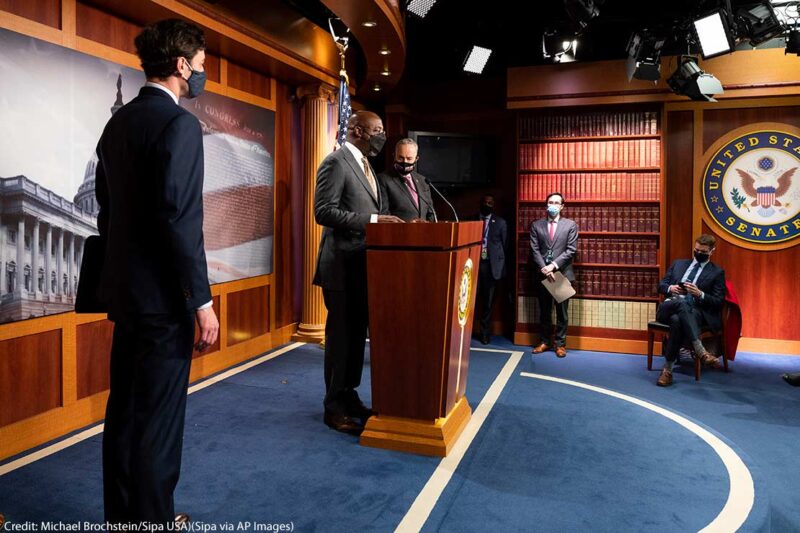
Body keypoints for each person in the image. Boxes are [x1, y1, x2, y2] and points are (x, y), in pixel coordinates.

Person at [94, 19, 219, 525]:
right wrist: (201, 302)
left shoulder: (116, 124)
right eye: (203, 67)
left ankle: (123, 519)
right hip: (167, 301)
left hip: (125, 296)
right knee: (159, 422)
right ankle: (153, 521)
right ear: (182, 65)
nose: (204, 76)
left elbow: (106, 212)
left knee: (123, 414)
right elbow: (180, 220)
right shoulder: (180, 125)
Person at [313, 111, 404, 435]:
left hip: (365, 266)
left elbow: (376, 210)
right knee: (341, 340)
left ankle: (349, 396)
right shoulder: (336, 162)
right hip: (340, 267)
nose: (382, 136)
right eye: (377, 130)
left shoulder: (369, 168)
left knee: (355, 340)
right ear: (356, 130)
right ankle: (333, 407)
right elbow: (323, 211)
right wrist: (375, 222)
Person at [655, 234, 725, 387]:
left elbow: (718, 302)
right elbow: (660, 286)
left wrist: (700, 294)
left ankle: (667, 370)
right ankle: (701, 351)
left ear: (712, 251)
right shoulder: (678, 264)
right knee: (679, 305)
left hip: (695, 311)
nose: (699, 253)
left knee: (677, 321)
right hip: (667, 307)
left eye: (703, 251)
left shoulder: (717, 273)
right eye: (697, 250)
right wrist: (670, 288)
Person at [530, 192, 578, 358]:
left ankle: (560, 344)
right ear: (546, 205)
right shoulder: (537, 225)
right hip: (543, 274)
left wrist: (553, 266)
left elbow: (571, 250)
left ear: (562, 206)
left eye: (557, 202)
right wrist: (544, 268)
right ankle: (544, 341)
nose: (553, 205)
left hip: (561, 274)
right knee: (544, 311)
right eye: (550, 202)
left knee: (562, 313)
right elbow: (534, 249)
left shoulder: (570, 225)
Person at [377, 138, 436, 222]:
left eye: (409, 158)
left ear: (416, 159)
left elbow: (431, 213)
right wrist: (407, 226)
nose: (404, 162)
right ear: (394, 156)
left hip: (424, 233)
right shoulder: (383, 179)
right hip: (398, 233)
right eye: (400, 158)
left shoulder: (423, 180)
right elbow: (384, 215)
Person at [474, 194, 507, 344]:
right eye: (485, 202)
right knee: (470, 300)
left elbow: (505, 246)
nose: (487, 204)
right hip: (474, 265)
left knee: (487, 302)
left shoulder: (500, 222)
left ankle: (484, 332)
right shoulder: (471, 220)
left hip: (491, 267)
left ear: (493, 205)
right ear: (480, 203)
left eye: (490, 203)